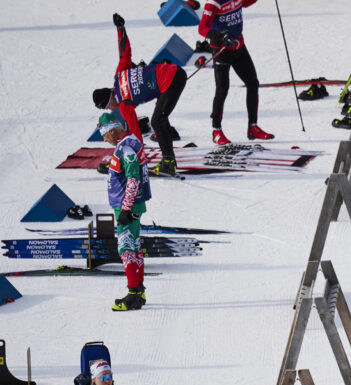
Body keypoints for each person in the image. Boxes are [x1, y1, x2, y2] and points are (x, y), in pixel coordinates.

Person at [92, 13, 186, 176]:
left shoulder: (124, 104)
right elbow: (124, 51)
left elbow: (136, 136)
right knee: (160, 117)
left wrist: (126, 163)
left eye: (108, 107)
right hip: (173, 72)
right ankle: (168, 158)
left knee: (157, 121)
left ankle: (168, 163)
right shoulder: (119, 75)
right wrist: (121, 28)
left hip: (171, 80)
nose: (111, 109)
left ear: (109, 101)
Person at [198, 0, 275, 145]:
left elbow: (246, 3)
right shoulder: (214, 3)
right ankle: (216, 130)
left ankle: (253, 127)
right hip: (222, 50)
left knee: (252, 83)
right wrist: (220, 36)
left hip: (239, 46)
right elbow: (202, 27)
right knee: (222, 90)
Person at [97, 111, 151, 311]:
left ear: (112, 130)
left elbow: (133, 178)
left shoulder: (126, 147)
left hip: (127, 207)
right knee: (134, 246)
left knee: (126, 248)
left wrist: (126, 209)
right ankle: (138, 291)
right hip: (129, 205)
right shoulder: (128, 143)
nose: (104, 138)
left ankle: (133, 295)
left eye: (104, 134)